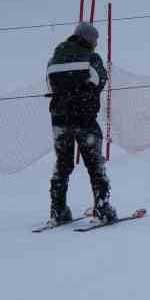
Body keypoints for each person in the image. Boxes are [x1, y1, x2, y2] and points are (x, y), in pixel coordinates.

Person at [46, 21, 114, 225]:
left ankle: (58, 210)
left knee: (62, 165)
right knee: (95, 165)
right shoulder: (91, 58)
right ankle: (102, 209)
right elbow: (101, 80)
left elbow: (50, 85)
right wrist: (84, 95)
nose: (95, 44)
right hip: (84, 120)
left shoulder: (54, 59)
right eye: (94, 40)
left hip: (59, 119)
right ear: (88, 38)